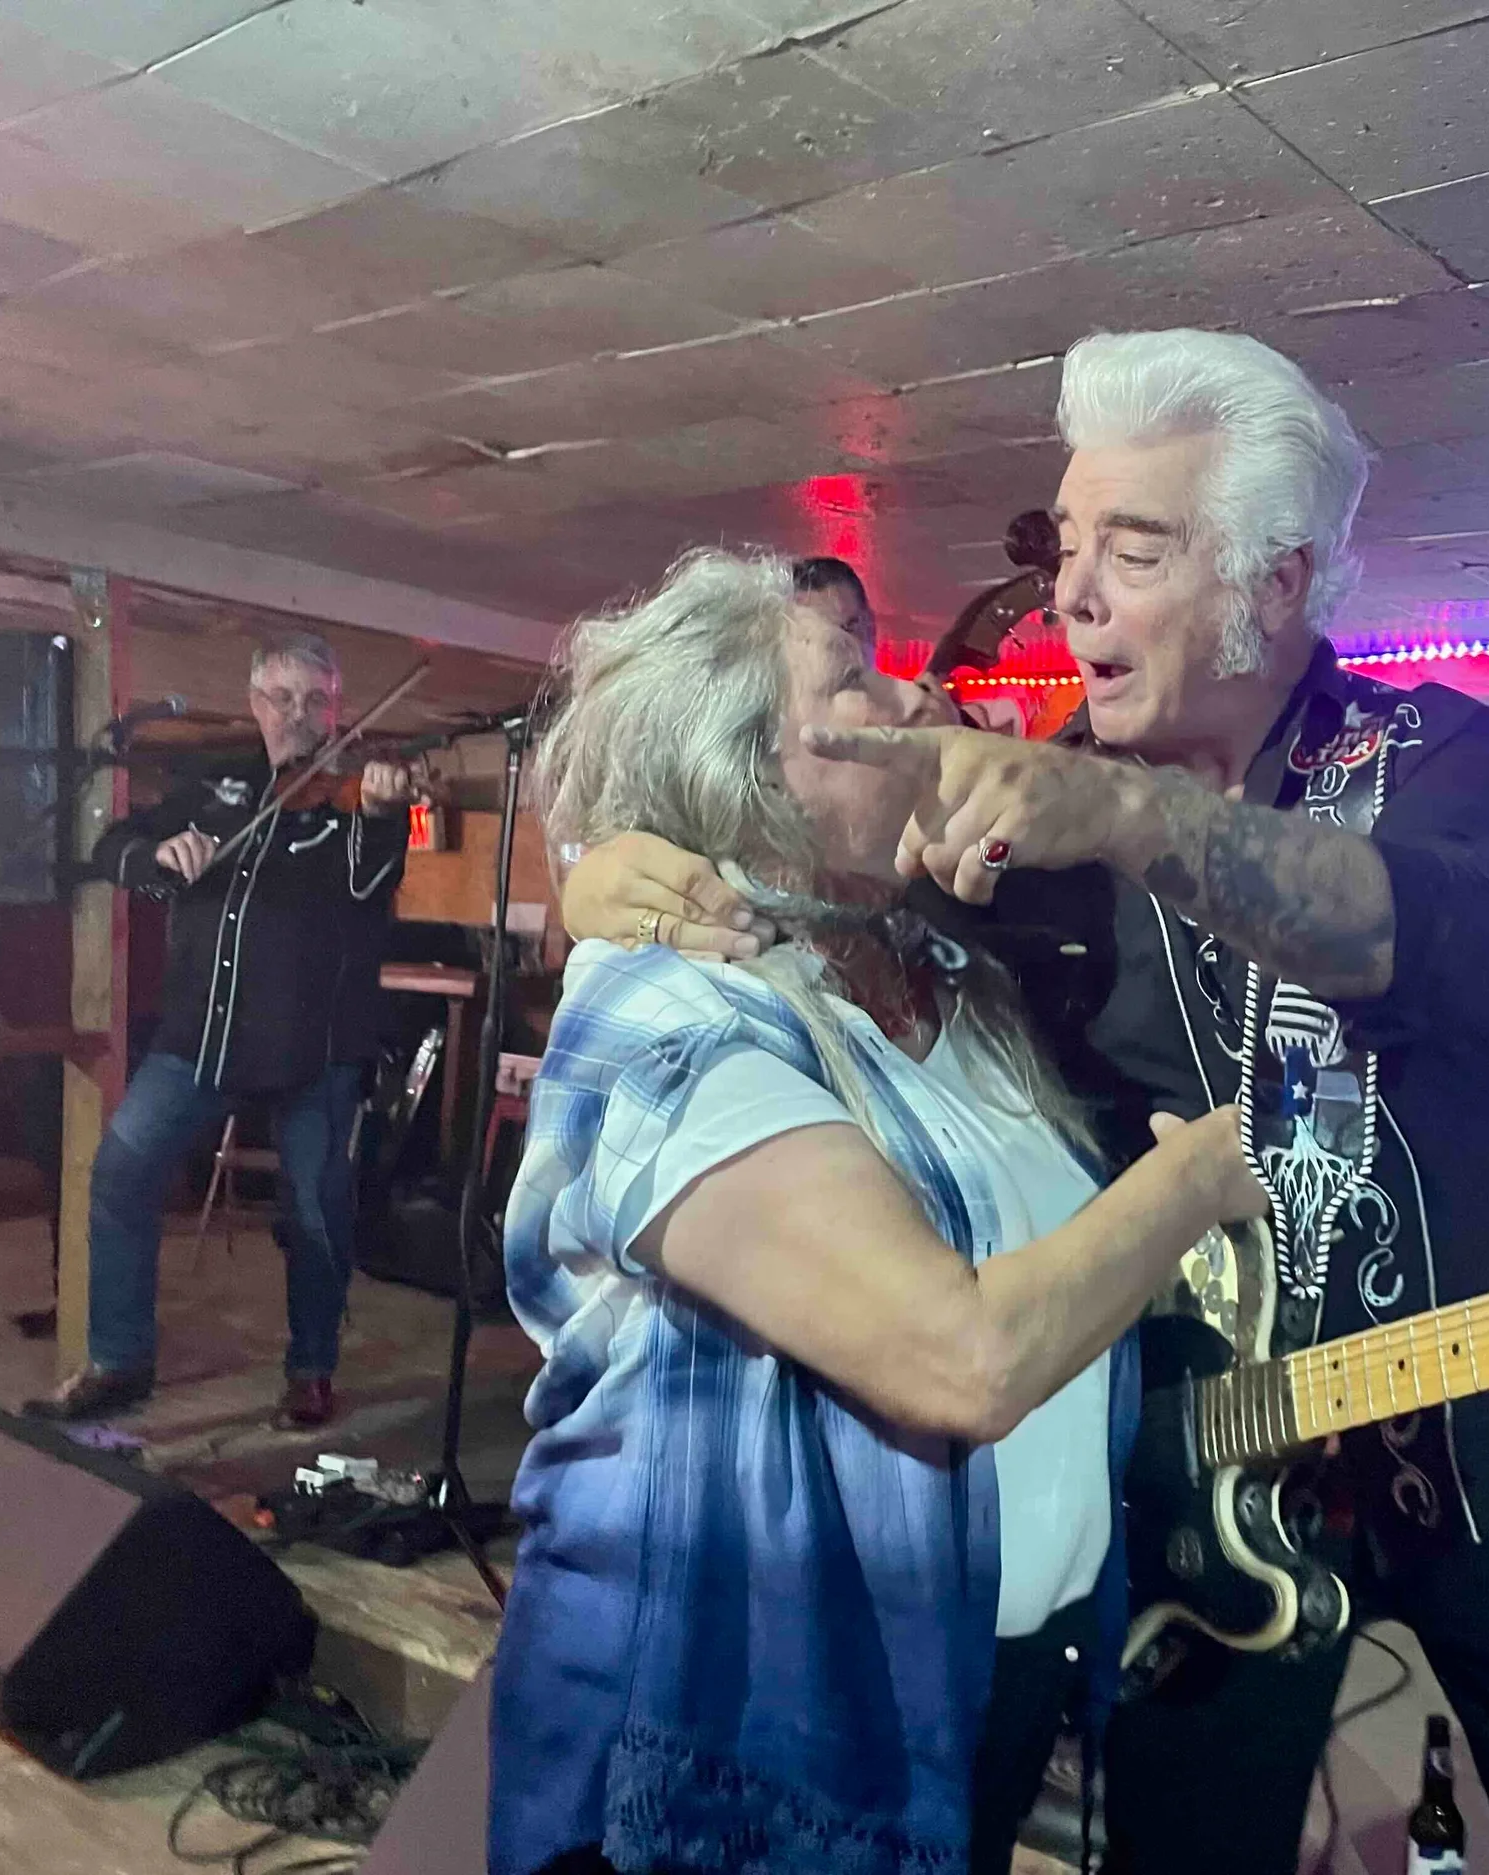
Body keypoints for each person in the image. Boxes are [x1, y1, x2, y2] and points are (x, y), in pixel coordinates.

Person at [563, 330, 1489, 1875]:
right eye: (1067, 545)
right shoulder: (1028, 819)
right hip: (1211, 1482)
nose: (1072, 594)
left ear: (1275, 585)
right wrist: (598, 877)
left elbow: (1399, 934)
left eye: (1137, 547)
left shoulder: (1445, 752)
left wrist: (1119, 811)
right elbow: (804, 882)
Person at [493, 548, 1264, 1875]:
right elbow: (957, 1356)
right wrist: (1206, 1173)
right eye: (852, 672)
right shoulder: (672, 1009)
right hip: (742, 1728)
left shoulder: (945, 970)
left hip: (974, 1687)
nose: (916, 694)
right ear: (737, 769)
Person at [26, 632, 411, 1431]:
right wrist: (158, 853)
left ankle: (311, 1368)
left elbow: (370, 886)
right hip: (200, 1034)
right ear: (255, 703)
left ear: (336, 706)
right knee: (120, 1174)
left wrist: (380, 813)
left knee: (313, 1208)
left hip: (316, 1046)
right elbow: (110, 848)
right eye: (281, 697)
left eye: (314, 700)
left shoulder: (351, 802)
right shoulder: (216, 784)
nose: (297, 715)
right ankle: (119, 1358)